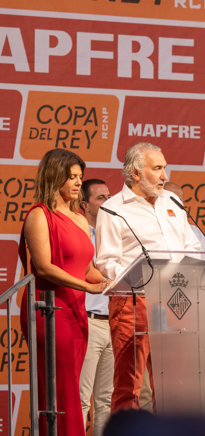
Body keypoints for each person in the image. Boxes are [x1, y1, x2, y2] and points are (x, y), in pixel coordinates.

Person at [95, 142, 201, 412]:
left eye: (164, 168)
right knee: (128, 385)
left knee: (173, 384)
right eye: (157, 168)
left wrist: (187, 270)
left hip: (176, 300)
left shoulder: (172, 202)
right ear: (135, 172)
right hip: (134, 302)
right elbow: (106, 262)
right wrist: (141, 280)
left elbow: (192, 246)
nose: (165, 175)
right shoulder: (113, 209)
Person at [18, 149, 109, 435]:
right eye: (71, 177)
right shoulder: (39, 216)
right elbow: (44, 267)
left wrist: (115, 281)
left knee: (71, 385)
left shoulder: (79, 218)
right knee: (60, 389)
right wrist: (88, 287)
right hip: (49, 310)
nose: (78, 182)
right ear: (54, 176)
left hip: (76, 310)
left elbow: (87, 268)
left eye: (80, 177)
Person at [79, 179, 114, 436]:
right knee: (81, 399)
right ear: (85, 205)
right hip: (88, 322)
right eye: (101, 198)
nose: (108, 202)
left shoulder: (115, 236)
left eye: (109, 197)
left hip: (114, 322)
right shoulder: (79, 237)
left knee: (106, 400)